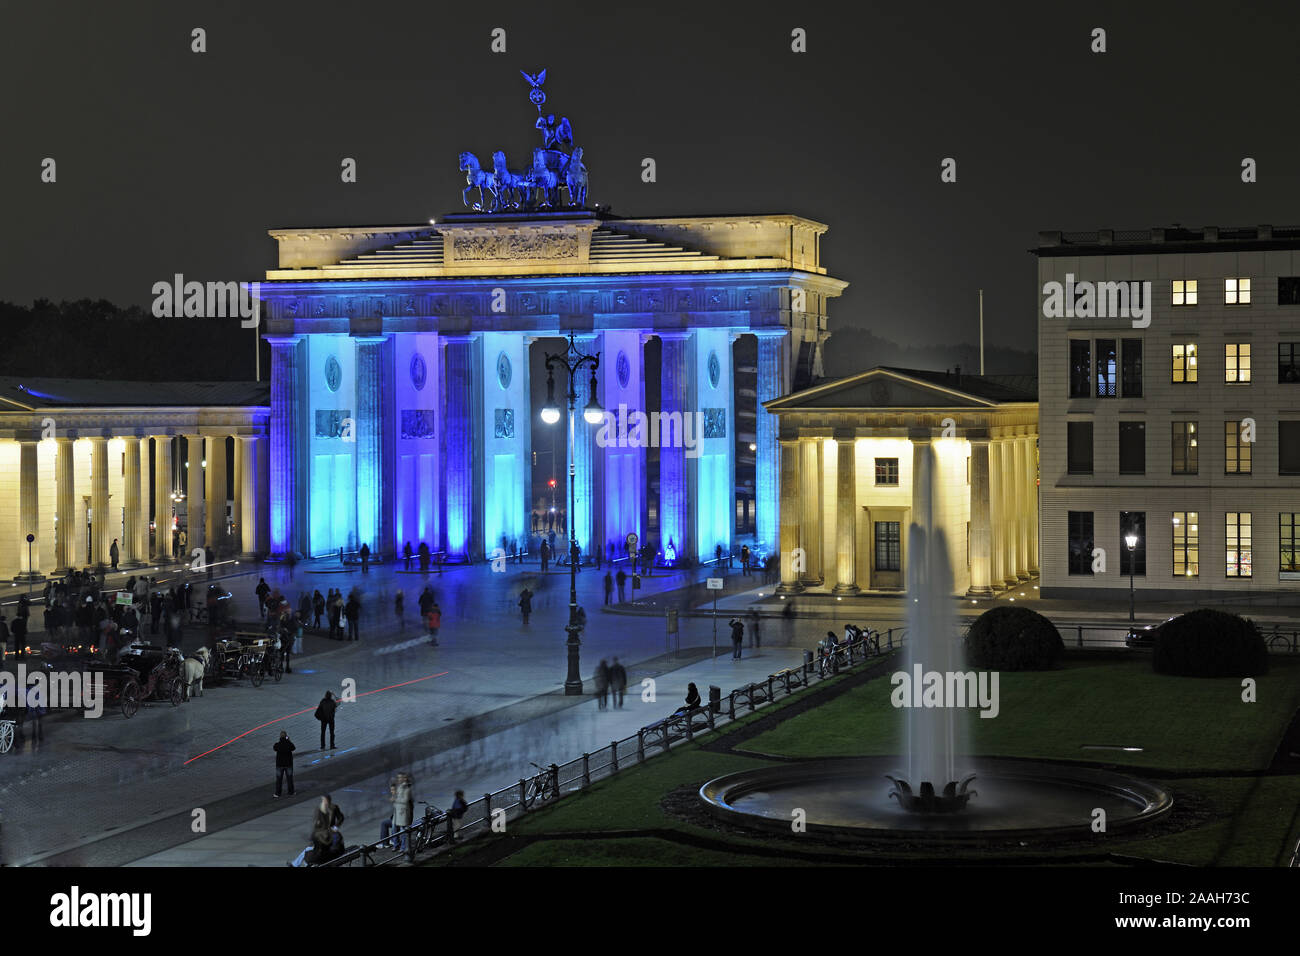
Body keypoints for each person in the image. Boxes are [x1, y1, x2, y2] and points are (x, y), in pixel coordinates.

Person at [274, 730, 296, 797]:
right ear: (286, 736)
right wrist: (289, 740)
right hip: (288, 764)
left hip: (279, 765)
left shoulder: (277, 744)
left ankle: (278, 793)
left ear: (280, 737)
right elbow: (293, 748)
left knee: (279, 780)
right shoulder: (289, 744)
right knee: (289, 779)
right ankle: (291, 792)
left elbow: (274, 748)